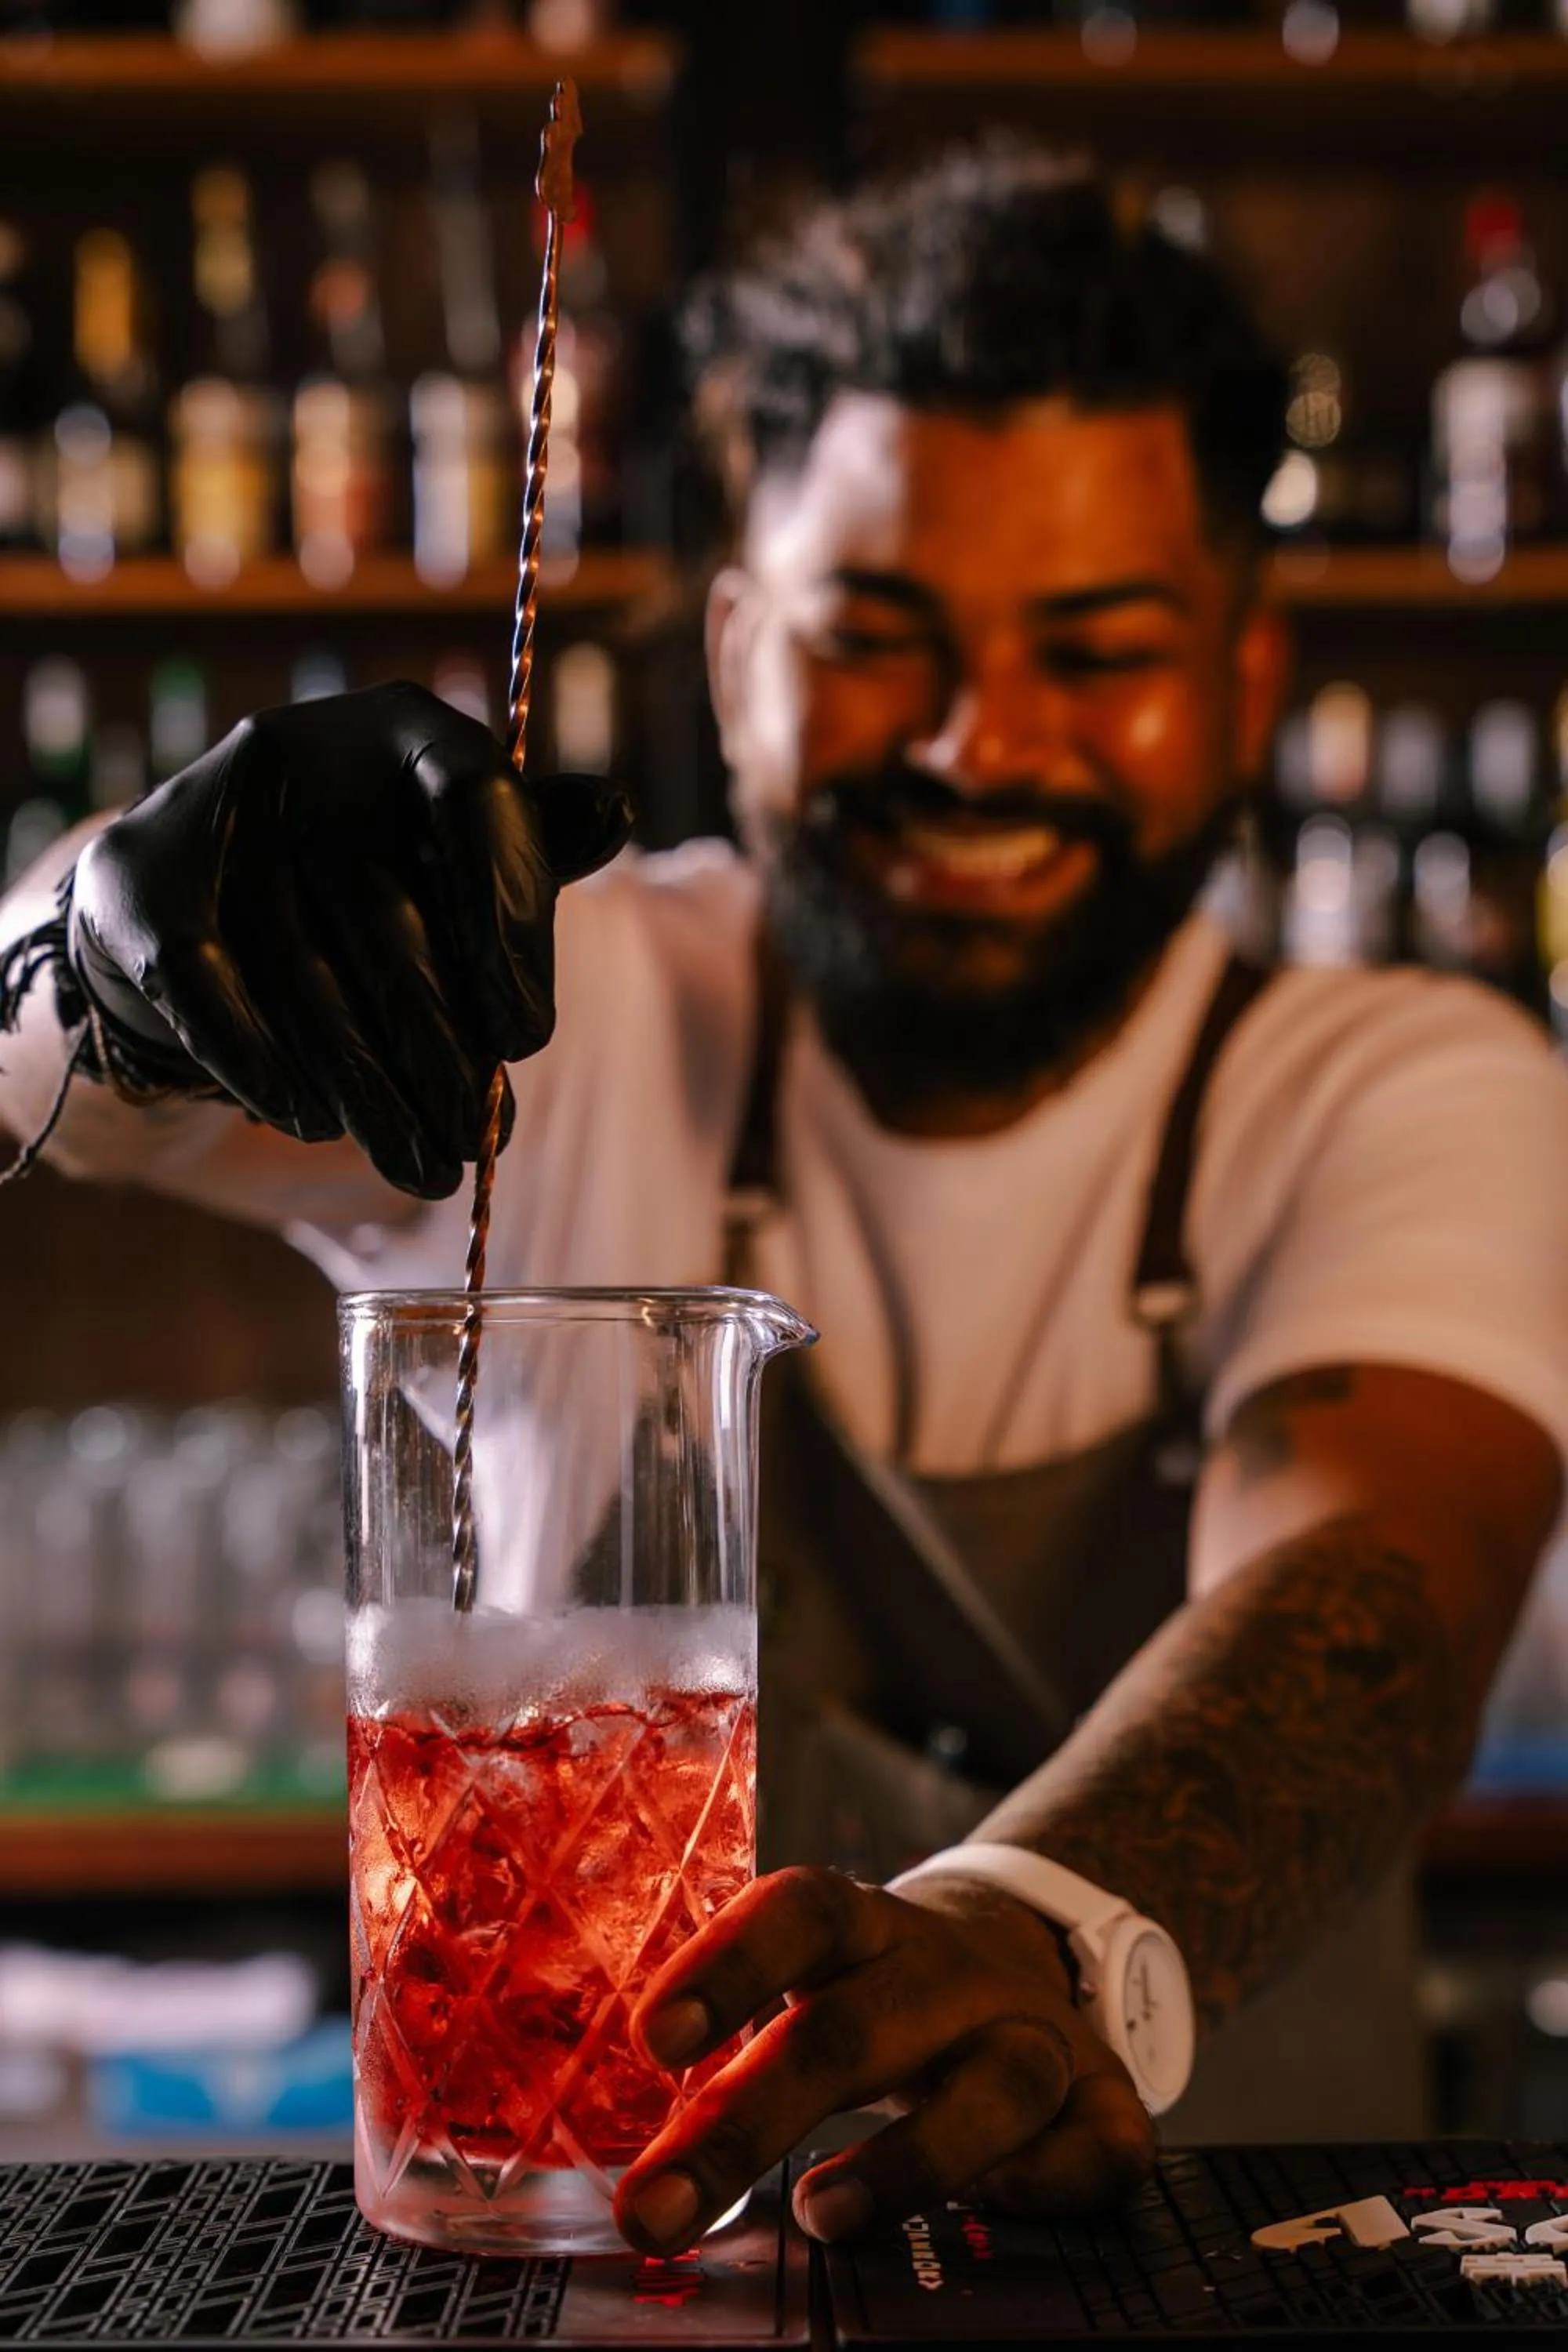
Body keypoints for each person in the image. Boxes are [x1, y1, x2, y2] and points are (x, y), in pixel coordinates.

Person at [2, 145, 1568, 2255]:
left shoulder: (1400, 1080)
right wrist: (122, 947)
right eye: (873, 636)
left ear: (1249, 681)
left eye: (1095, 650)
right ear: (733, 652)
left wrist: (1027, 1932)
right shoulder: (560, 1000)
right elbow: (32, 1075)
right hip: (612, 2270)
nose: (977, 741)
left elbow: (1374, 1593)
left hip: (1236, 2280)